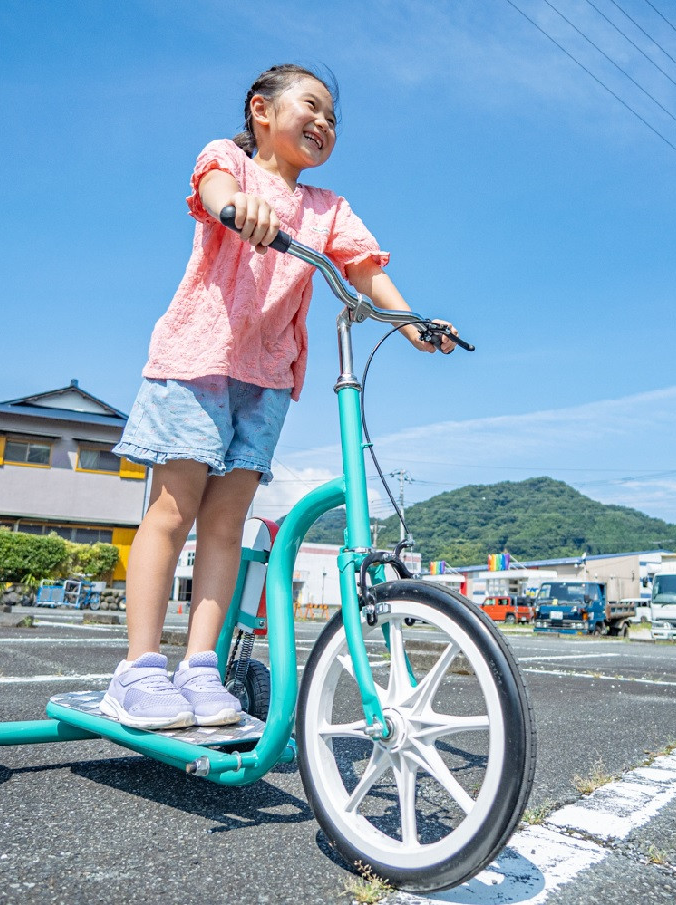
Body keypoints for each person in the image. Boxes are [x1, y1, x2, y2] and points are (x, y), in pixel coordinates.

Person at [103, 64, 454, 729]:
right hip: (199, 358)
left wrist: (412, 323)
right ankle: (139, 669)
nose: (324, 123)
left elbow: (363, 269)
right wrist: (238, 205)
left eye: (332, 119)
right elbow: (212, 192)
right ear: (262, 111)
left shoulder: (328, 209)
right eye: (312, 107)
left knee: (227, 524)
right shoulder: (227, 159)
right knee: (174, 511)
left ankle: (199, 667)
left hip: (267, 379)